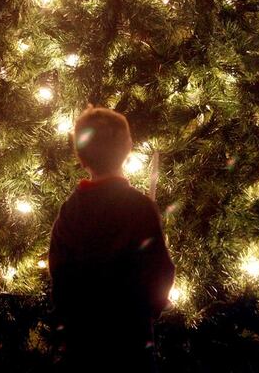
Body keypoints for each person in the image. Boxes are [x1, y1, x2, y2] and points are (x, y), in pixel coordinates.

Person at [48, 105, 175, 373]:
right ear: (127, 150)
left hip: (82, 338)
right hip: (131, 337)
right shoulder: (139, 207)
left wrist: (69, 319)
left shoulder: (71, 209)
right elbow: (159, 267)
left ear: (82, 159)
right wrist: (148, 310)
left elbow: (59, 268)